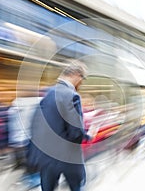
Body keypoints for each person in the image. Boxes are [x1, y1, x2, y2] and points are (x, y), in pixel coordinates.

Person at [27, 60, 96, 191]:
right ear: (76, 74)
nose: (81, 82)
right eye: (82, 78)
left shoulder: (47, 93)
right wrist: (88, 136)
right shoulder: (71, 95)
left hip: (46, 158)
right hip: (67, 158)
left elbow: (35, 124)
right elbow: (75, 132)